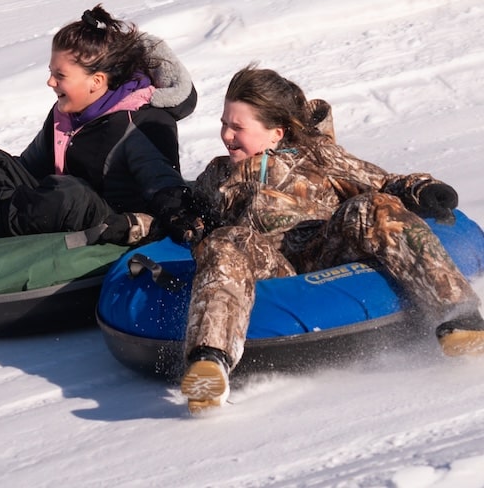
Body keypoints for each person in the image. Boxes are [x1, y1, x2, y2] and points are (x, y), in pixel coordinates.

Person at [164, 64, 484, 414]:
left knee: (372, 206)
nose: (226, 135)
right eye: (224, 124)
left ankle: (459, 318)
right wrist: (185, 223)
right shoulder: (217, 174)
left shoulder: (316, 156)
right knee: (225, 239)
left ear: (276, 132)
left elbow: (380, 182)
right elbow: (194, 215)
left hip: (324, 248)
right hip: (268, 265)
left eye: (237, 127)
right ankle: (209, 362)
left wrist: (421, 188)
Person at [0, 4, 196, 245]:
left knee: (68, 192)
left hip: (109, 219)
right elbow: (28, 169)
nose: (50, 82)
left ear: (96, 81)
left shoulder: (139, 123)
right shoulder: (64, 114)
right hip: (52, 204)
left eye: (60, 75)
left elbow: (164, 185)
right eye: (50, 72)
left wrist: (178, 217)